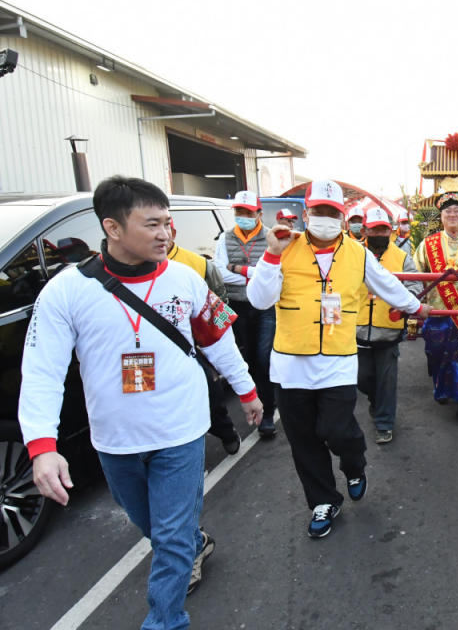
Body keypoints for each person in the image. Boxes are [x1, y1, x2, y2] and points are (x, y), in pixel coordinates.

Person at [20, 176, 263, 629]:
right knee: (155, 526)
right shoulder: (64, 292)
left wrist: (247, 391)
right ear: (112, 228)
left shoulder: (186, 279)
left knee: (168, 538)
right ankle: (194, 542)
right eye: (153, 224)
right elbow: (41, 371)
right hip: (115, 440)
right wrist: (41, 445)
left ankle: (165, 619)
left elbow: (219, 339)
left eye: (168, 224)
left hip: (181, 431)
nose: (166, 234)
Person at [247, 180, 431, 539]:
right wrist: (270, 255)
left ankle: (355, 465)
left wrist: (416, 307)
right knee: (303, 440)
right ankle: (323, 500)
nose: (326, 219)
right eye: (319, 212)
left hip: (337, 362)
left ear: (344, 218)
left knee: (337, 430)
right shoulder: (283, 249)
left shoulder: (358, 253)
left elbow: (387, 284)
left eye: (333, 213)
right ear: (306, 214)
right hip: (291, 364)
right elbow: (258, 299)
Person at [413, 192, 458, 427]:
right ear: (441, 217)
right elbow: (415, 275)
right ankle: (443, 389)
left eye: (457, 211)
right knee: (437, 355)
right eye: (448, 211)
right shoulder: (429, 244)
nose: (453, 214)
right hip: (436, 311)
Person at [167, 222, 241, 455]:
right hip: (156, 358)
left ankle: (225, 430)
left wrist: (210, 342)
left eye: (163, 226)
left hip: (196, 345)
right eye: (151, 226)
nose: (159, 235)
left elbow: (220, 304)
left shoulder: (197, 265)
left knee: (211, 392)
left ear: (174, 232)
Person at [214, 190, 278, 438]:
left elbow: (275, 271)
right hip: (237, 305)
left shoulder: (272, 237)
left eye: (247, 212)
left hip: (265, 306)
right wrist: (256, 272)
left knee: (264, 357)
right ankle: (258, 405)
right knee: (247, 358)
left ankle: (269, 412)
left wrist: (238, 269)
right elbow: (220, 273)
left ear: (259, 214)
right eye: (239, 212)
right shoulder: (224, 238)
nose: (242, 216)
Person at [356, 207, 422, 444]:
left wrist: (401, 304)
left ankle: (384, 423)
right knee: (361, 378)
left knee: (386, 379)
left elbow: (416, 287)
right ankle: (376, 400)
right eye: (374, 229)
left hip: (389, 330)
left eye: (384, 229)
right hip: (357, 329)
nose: (379, 233)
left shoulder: (403, 257)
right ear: (365, 230)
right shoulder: (353, 254)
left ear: (390, 230)